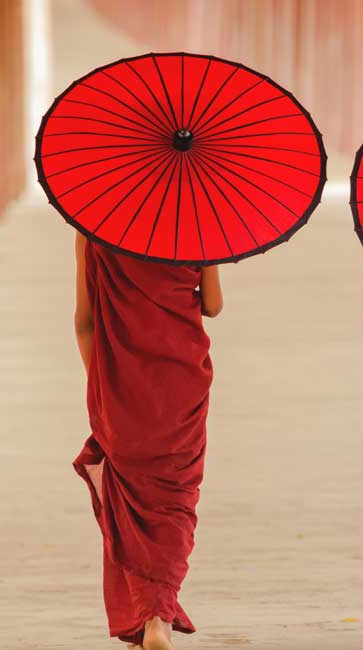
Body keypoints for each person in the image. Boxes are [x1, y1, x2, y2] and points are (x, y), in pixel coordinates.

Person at [72, 233, 223, 650]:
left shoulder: (92, 225)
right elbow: (211, 305)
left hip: (119, 385)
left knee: (128, 496)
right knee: (177, 496)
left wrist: (100, 380)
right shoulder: (196, 222)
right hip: (182, 383)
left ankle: (148, 615)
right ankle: (158, 614)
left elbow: (85, 321)